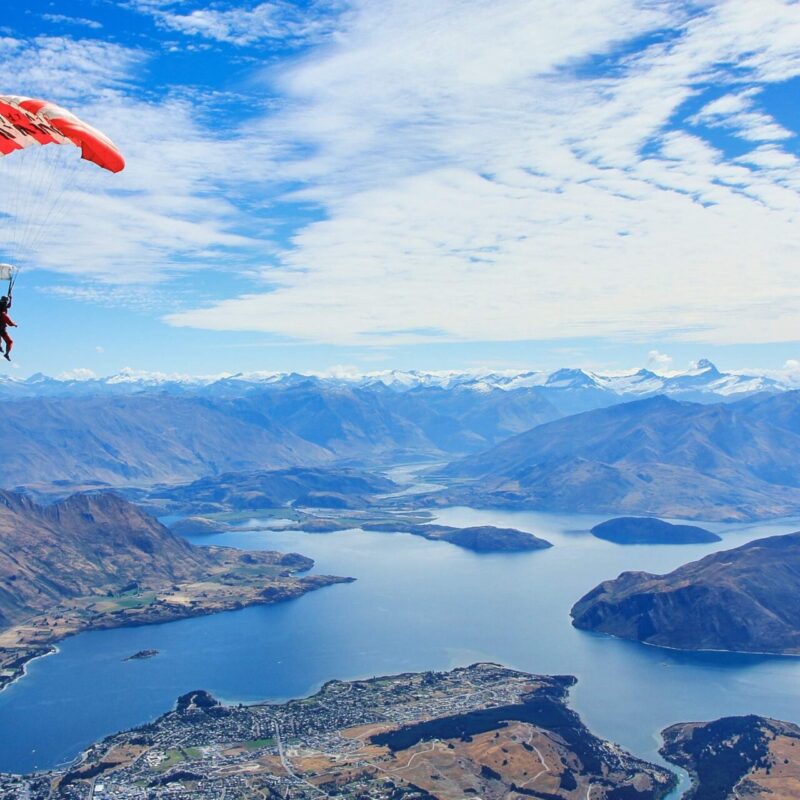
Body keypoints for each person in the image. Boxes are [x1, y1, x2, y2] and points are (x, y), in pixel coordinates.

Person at [0, 296, 18, 361]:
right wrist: (15, 324)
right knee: (10, 342)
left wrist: (10, 299)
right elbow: (10, 323)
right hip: (1, 330)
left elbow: (9, 306)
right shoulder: (3, 314)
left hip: (1, 329)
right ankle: (6, 354)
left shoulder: (2, 307)